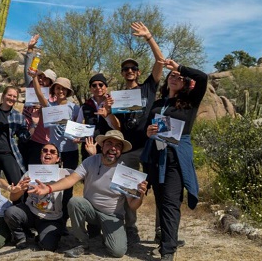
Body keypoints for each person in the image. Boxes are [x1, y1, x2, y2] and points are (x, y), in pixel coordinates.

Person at [29, 130, 148, 259]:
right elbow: (70, 179)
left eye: (118, 145)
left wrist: (140, 194)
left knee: (117, 252)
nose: (113, 148)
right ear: (102, 146)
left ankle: (107, 235)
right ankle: (82, 243)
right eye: (109, 143)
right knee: (75, 202)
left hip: (112, 216)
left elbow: (133, 206)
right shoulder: (90, 161)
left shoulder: (125, 172)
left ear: (121, 150)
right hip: (90, 210)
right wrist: (48, 188)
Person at [143, 59, 207, 261]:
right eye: (172, 75)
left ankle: (168, 251)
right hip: (156, 156)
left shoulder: (190, 102)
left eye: (179, 77)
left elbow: (203, 77)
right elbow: (148, 128)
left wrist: (178, 67)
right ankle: (166, 238)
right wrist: (148, 131)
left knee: (171, 202)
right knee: (161, 202)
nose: (174, 78)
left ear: (185, 83)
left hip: (175, 158)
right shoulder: (158, 104)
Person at [114, 21, 164, 246]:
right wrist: (108, 112)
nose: (130, 71)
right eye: (126, 69)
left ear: (138, 72)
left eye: (133, 68)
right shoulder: (118, 96)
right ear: (123, 73)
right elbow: (118, 124)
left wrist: (149, 37)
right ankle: (130, 228)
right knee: (128, 189)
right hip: (130, 148)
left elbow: (160, 61)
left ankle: (162, 231)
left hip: (151, 146)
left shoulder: (148, 88)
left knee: (161, 187)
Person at [32, 75, 81, 231]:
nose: (60, 91)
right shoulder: (49, 106)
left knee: (67, 189)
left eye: (63, 89)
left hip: (70, 152)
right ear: (54, 89)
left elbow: (80, 126)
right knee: (51, 186)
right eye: (58, 88)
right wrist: (34, 78)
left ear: (67, 91)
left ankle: (63, 222)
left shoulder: (74, 108)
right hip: (53, 153)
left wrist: (79, 137)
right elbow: (39, 93)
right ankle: (47, 217)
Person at [4, 142, 71, 251]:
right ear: (40, 156)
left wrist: (92, 155)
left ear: (58, 158)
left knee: (48, 247)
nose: (48, 153)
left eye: (52, 152)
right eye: (44, 151)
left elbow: (85, 175)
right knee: (10, 212)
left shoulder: (65, 173)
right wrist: (20, 190)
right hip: (30, 213)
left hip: (51, 218)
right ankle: (21, 237)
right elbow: (13, 198)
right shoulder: (29, 173)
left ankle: (41, 236)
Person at [21, 34, 58, 167]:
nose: (41, 80)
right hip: (25, 132)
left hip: (41, 138)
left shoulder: (52, 98)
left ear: (51, 83)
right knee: (24, 166)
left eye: (45, 79)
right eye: (41, 77)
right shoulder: (31, 85)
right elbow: (28, 70)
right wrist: (30, 50)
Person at [78, 73, 119, 160]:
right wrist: (77, 136)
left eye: (101, 84)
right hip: (89, 146)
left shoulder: (114, 104)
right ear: (90, 89)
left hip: (109, 146)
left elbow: (117, 127)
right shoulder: (85, 106)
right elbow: (78, 125)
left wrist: (107, 115)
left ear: (106, 87)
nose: (98, 87)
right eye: (94, 85)